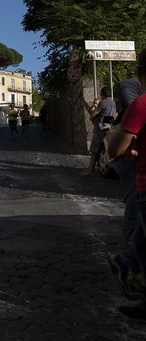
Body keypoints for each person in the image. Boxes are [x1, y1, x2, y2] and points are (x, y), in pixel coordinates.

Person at [107, 49, 146, 321]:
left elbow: (114, 150)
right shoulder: (139, 102)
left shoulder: (141, 103)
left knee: (142, 238)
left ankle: (126, 264)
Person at [81, 87, 116, 176]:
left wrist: (92, 112)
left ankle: (90, 171)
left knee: (94, 150)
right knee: (99, 149)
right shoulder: (113, 102)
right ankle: (90, 168)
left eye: (100, 94)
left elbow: (93, 114)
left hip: (100, 128)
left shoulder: (103, 102)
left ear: (103, 94)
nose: (100, 96)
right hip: (108, 127)